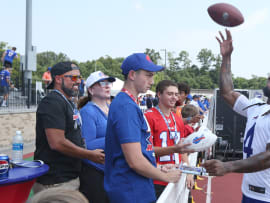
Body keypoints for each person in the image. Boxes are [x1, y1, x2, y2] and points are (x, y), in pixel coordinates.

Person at [201, 29, 270, 203]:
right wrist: (226, 58)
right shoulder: (257, 107)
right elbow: (227, 93)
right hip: (249, 192)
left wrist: (227, 166)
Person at [104, 53, 181, 203]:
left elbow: (139, 153)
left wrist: (157, 167)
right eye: (148, 75)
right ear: (132, 74)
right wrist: (165, 177)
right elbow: (134, 161)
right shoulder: (126, 106)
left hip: (134, 187)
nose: (152, 81)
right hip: (131, 191)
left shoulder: (128, 103)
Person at [33, 61, 105, 194]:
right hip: (55, 182)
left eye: (79, 77)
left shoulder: (68, 101)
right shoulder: (52, 101)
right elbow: (57, 143)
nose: (78, 81)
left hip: (68, 178)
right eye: (73, 77)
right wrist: (89, 155)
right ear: (58, 79)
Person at [144, 80, 195, 199]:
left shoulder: (177, 119)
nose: (174, 97)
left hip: (177, 175)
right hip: (158, 177)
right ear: (159, 94)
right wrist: (173, 149)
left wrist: (189, 171)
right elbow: (145, 150)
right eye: (170, 94)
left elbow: (181, 150)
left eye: (176, 94)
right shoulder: (148, 116)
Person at [77, 71, 115, 203]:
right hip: (95, 172)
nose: (107, 86)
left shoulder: (111, 108)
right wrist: (117, 137)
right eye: (102, 83)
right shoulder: (88, 111)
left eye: (108, 83)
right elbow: (87, 145)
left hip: (111, 170)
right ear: (91, 90)